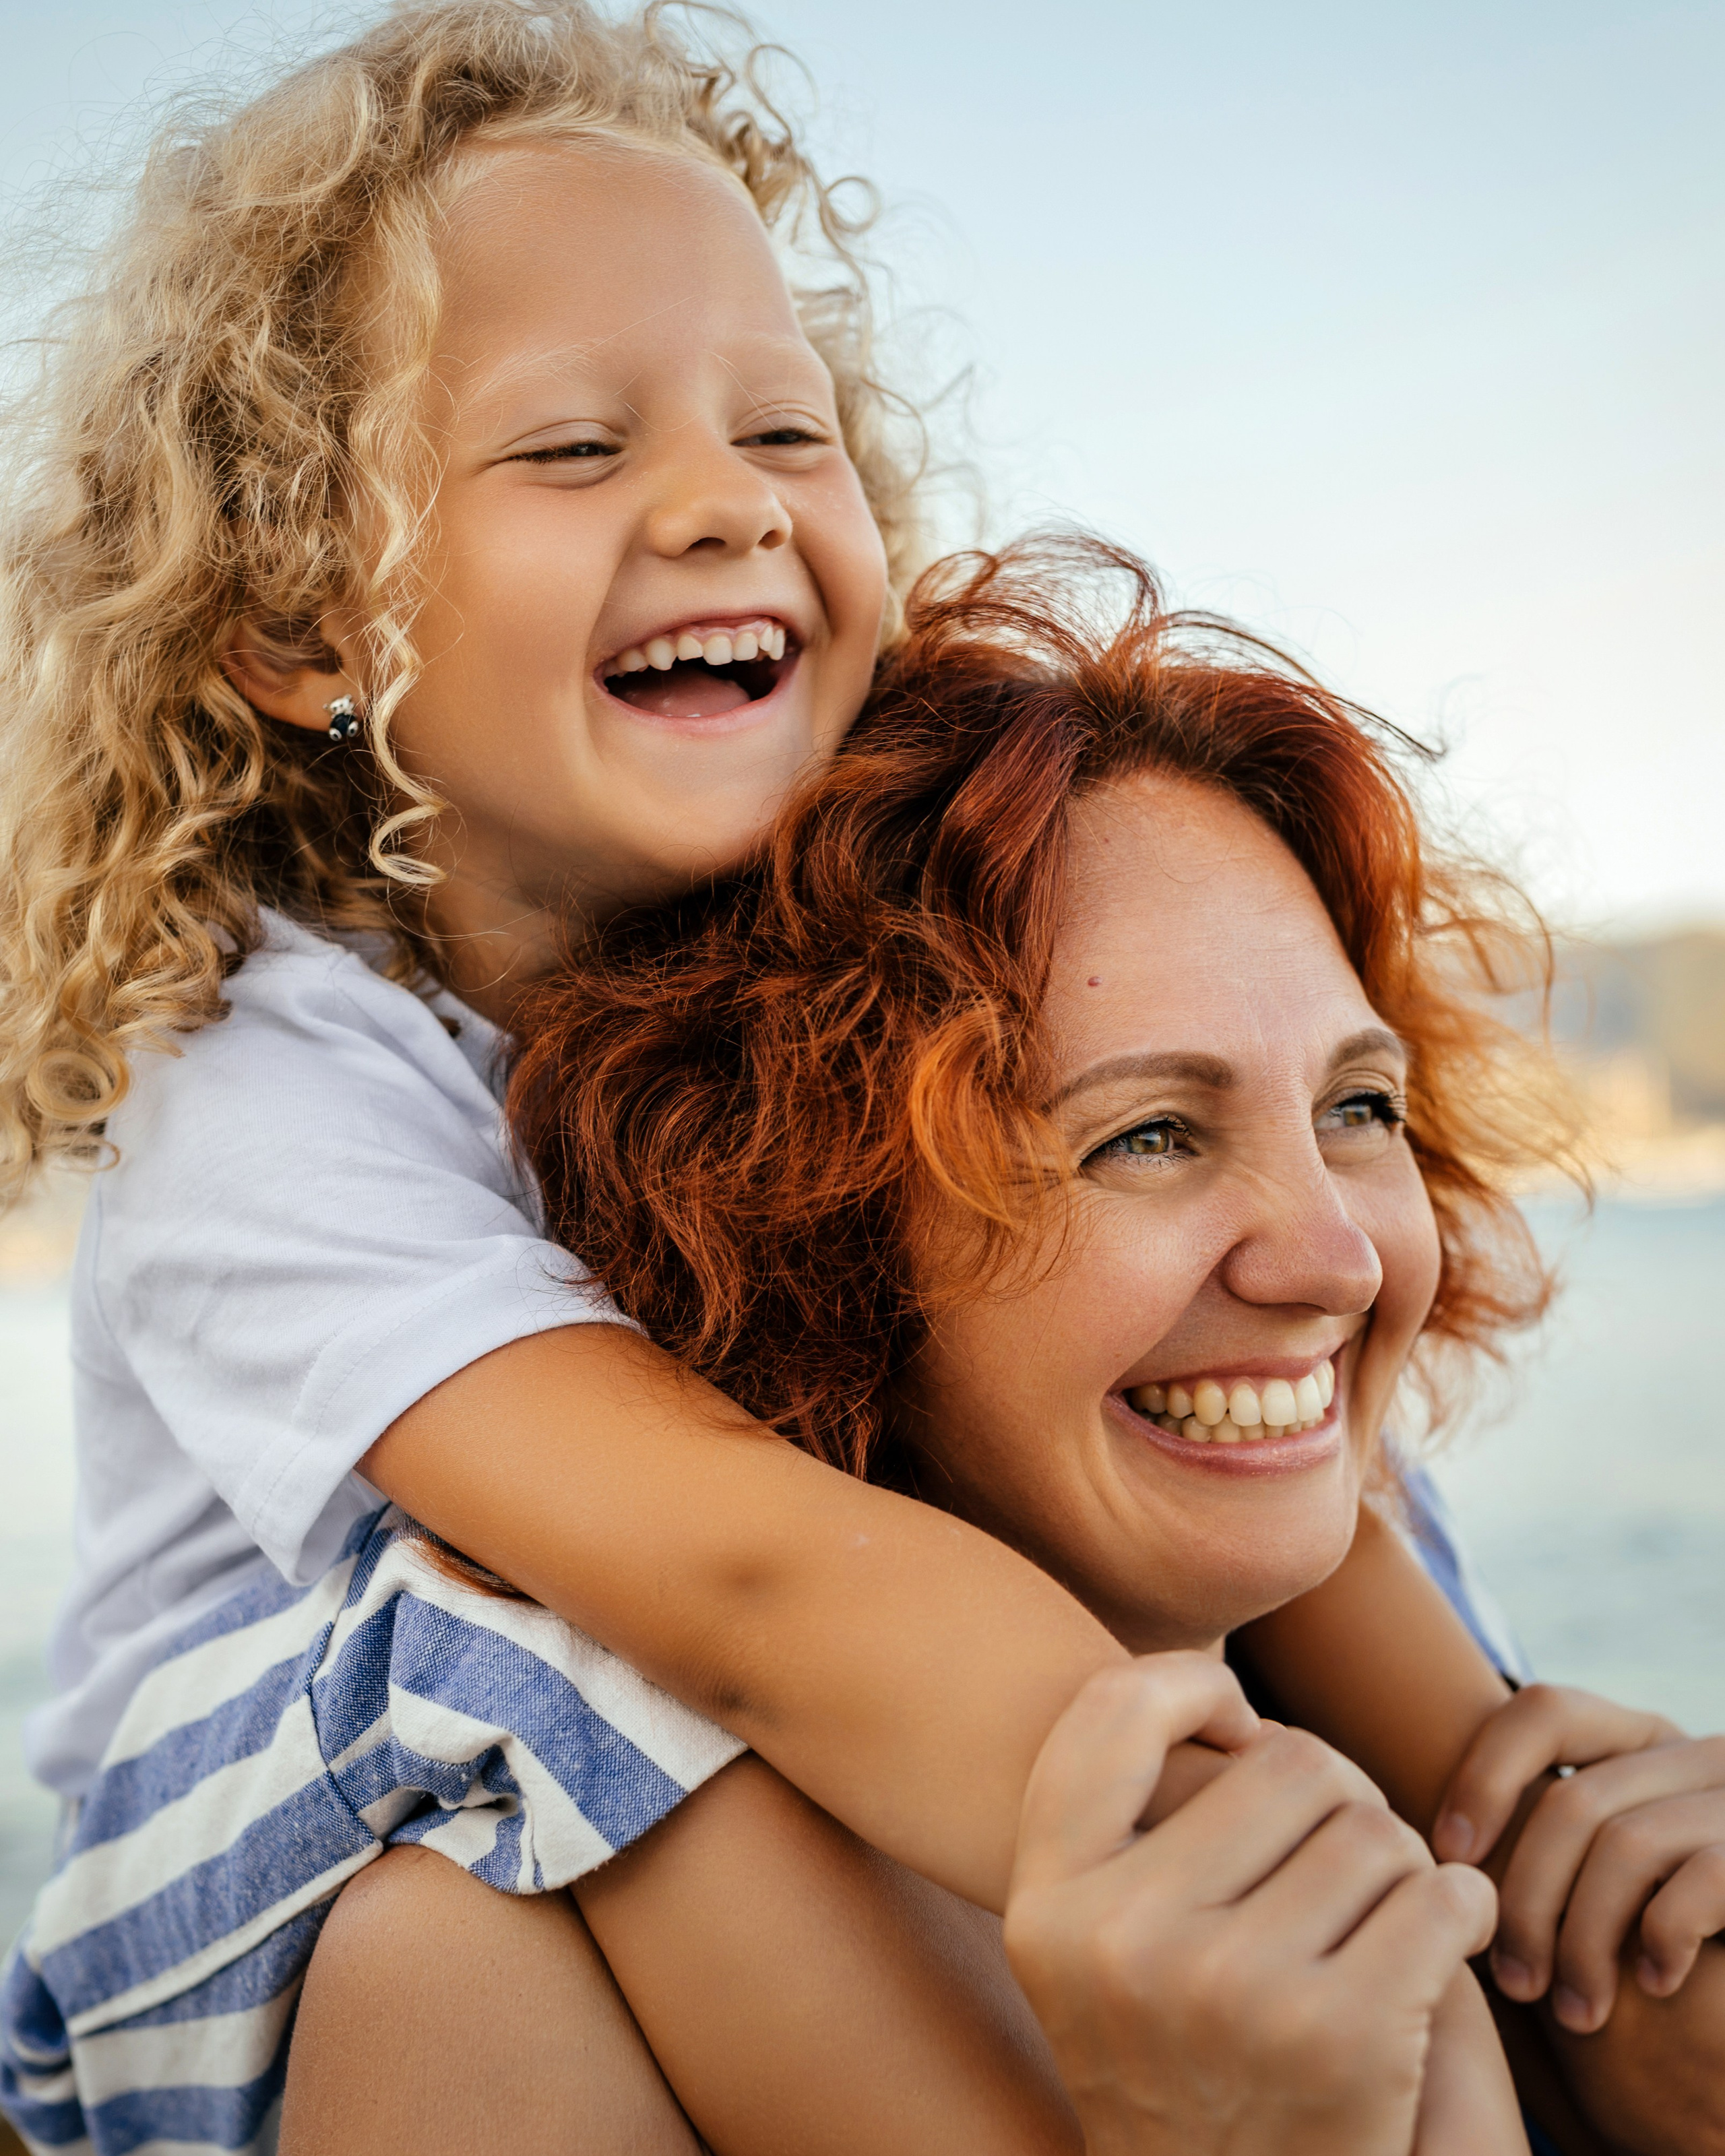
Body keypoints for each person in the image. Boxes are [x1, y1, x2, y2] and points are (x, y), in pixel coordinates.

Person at [0, 2, 1694, 2149]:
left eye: (788, 436)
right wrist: (1211, 1858)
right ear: (308, 631)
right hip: (237, 1892)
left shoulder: (831, 956)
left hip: (647, 1727)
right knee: (548, 1630)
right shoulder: (270, 1092)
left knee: (1198, 1464)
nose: (724, 504)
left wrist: (1510, 1812)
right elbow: (749, 1587)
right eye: (573, 449)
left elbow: (1279, 1496)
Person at [480, 535, 1725, 2156]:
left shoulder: (1457, 1778)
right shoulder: (503, 1949)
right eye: (1143, 1134)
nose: (1336, 1256)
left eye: (1358, 1108)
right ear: (811, 1230)